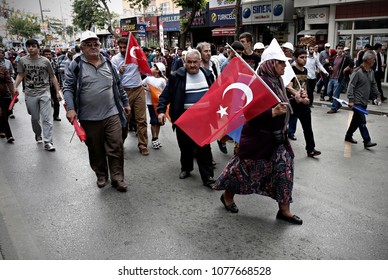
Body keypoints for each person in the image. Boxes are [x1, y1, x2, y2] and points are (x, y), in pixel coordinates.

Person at [213, 42, 305, 224]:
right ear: (271, 63)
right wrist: (271, 113)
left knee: (284, 170)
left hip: (278, 139)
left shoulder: (278, 81)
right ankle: (227, 196)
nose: (285, 66)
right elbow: (247, 113)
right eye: (281, 63)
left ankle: (284, 210)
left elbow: (283, 107)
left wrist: (296, 100)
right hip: (257, 140)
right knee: (242, 172)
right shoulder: (258, 83)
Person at [63, 30, 131, 192]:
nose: (93, 47)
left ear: (100, 46)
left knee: (116, 145)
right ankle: (101, 174)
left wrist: (125, 103)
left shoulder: (108, 63)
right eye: (89, 45)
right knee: (96, 148)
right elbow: (68, 88)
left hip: (112, 113)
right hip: (89, 117)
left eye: (96, 44)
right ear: (83, 47)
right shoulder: (76, 64)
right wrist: (71, 108)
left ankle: (117, 177)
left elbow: (118, 85)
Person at [157, 49, 216, 188]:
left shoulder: (208, 74)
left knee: (204, 148)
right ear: (185, 62)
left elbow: (215, 94)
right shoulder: (177, 76)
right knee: (185, 146)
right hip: (183, 118)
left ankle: (207, 177)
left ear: (200, 62)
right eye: (189, 62)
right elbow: (165, 95)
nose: (192, 65)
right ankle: (186, 168)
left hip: (203, 119)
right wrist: (160, 111)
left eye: (195, 62)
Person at [14, 39, 60, 151]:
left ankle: (48, 142)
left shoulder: (45, 61)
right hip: (30, 93)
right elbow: (20, 75)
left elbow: (52, 76)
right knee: (34, 118)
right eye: (28, 46)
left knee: (47, 118)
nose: (30, 48)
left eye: (33, 46)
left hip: (44, 92)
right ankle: (38, 133)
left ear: (38, 48)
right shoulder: (23, 60)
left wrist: (57, 92)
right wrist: (15, 87)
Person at [111, 37, 149, 155]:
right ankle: (120, 143)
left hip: (138, 90)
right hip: (124, 92)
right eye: (120, 47)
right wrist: (119, 72)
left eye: (124, 47)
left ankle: (143, 145)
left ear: (129, 47)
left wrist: (143, 62)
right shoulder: (115, 60)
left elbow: (144, 70)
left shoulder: (135, 56)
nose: (122, 50)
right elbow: (111, 77)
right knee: (124, 121)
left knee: (141, 120)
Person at [287, 48, 321, 158]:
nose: (304, 59)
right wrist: (298, 95)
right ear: (296, 58)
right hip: (293, 103)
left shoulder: (305, 70)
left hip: (304, 104)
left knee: (308, 128)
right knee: (283, 127)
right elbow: (289, 87)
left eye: (305, 57)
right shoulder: (291, 70)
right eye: (302, 57)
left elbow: (304, 86)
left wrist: (306, 97)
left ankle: (311, 149)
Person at [345, 50, 380, 148]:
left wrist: (377, 95)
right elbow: (350, 86)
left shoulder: (371, 72)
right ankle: (367, 141)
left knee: (356, 121)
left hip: (364, 101)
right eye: (373, 59)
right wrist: (351, 100)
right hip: (357, 101)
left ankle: (348, 136)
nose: (374, 61)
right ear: (368, 60)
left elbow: (373, 84)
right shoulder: (357, 72)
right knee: (362, 120)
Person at [142, 62, 167, 149]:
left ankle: (156, 138)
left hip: (159, 104)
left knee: (159, 121)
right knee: (153, 121)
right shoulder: (148, 78)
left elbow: (166, 91)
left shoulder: (162, 81)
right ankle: (154, 138)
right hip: (150, 103)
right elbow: (141, 84)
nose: (151, 68)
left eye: (153, 67)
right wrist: (147, 89)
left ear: (157, 70)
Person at [326, 44, 353, 114]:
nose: (340, 50)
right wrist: (330, 67)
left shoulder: (345, 58)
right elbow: (331, 64)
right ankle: (338, 104)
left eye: (341, 48)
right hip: (332, 77)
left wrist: (345, 69)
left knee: (335, 94)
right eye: (339, 48)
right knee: (329, 92)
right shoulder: (334, 57)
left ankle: (334, 108)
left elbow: (352, 63)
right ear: (336, 49)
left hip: (338, 78)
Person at [42, 48, 62, 121]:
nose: (48, 56)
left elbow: (58, 74)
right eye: (46, 54)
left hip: (53, 86)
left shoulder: (55, 63)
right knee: (45, 102)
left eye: (49, 54)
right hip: (44, 87)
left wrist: (60, 85)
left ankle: (56, 116)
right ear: (43, 55)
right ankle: (46, 116)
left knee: (57, 101)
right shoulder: (41, 64)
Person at [0, 64, 15, 142]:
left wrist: (13, 93)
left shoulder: (2, 68)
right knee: (3, 114)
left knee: (7, 112)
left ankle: (1, 129)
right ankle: (9, 135)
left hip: (4, 94)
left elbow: (9, 81)